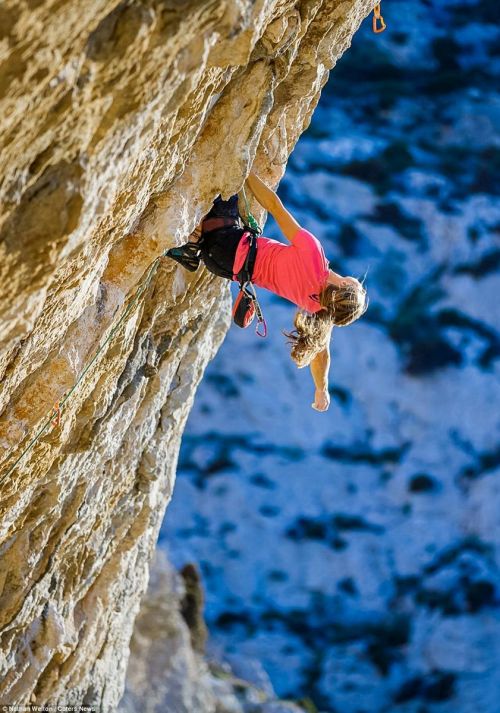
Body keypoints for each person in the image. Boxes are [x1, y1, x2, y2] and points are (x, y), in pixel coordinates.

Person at [166, 172, 368, 412]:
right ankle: (192, 248)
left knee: (222, 184)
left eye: (359, 287)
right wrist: (321, 389)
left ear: (346, 286)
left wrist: (246, 171)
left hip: (228, 243)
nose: (359, 283)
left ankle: (192, 245)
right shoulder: (317, 307)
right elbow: (321, 354)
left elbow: (274, 206)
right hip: (224, 266)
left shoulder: (314, 256)